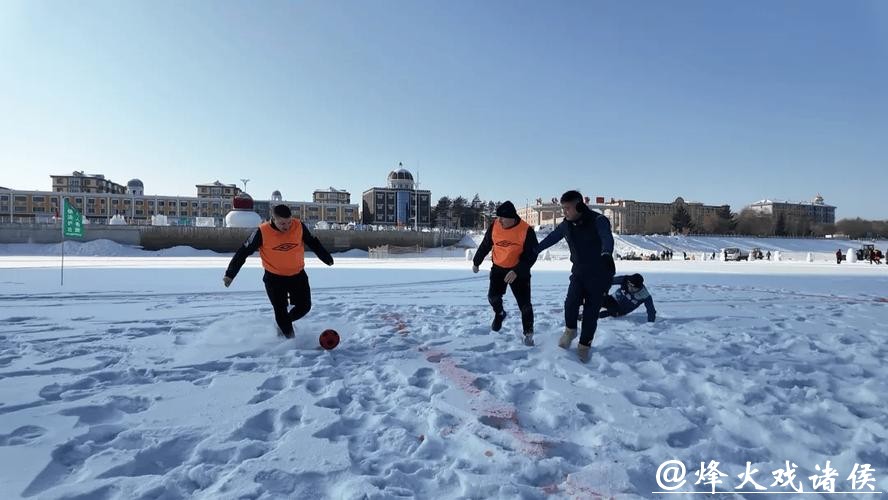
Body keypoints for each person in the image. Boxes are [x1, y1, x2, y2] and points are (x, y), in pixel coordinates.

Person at [223, 204, 334, 338]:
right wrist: (230, 274)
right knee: (280, 311)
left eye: (289, 222)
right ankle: (290, 341)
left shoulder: (298, 226)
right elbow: (243, 252)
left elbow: (313, 242)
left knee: (304, 307)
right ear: (273, 219)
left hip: (298, 276)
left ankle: (283, 323)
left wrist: (326, 257)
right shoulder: (262, 232)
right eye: (282, 223)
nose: (286, 226)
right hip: (274, 279)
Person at [535, 190, 615, 363]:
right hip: (579, 272)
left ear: (579, 206)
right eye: (563, 208)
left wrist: (607, 253)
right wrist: (534, 250)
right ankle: (570, 330)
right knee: (570, 302)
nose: (564, 212)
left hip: (600, 272)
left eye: (568, 208)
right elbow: (551, 238)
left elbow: (606, 237)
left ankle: (584, 345)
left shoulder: (599, 220)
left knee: (591, 311)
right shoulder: (566, 225)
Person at [472, 201, 539, 346]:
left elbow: (532, 255)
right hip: (498, 268)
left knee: (525, 305)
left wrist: (517, 270)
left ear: (512, 217)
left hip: (519, 271)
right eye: (498, 217)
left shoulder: (526, 230)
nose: (499, 220)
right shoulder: (495, 225)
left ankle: (528, 334)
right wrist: (476, 261)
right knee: (493, 297)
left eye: (502, 217)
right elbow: (486, 244)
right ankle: (500, 313)